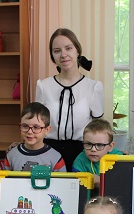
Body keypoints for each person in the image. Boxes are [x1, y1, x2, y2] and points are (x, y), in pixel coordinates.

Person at [35, 28, 104, 171]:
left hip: (83, 154)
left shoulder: (93, 87)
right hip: (48, 153)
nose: (63, 55)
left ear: (77, 51)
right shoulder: (43, 86)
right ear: (53, 56)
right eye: (57, 51)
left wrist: (111, 150)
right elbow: (36, 125)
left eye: (68, 48)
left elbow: (99, 128)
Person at [3, 102, 67, 172]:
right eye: (25, 126)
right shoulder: (11, 155)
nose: (30, 132)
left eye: (36, 127)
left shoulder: (55, 158)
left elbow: (62, 179)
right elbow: (4, 178)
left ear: (47, 130)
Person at [72, 119, 123, 187]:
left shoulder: (119, 160)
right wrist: (89, 180)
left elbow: (122, 184)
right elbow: (77, 188)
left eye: (99, 145)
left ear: (110, 147)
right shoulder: (79, 162)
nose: (93, 149)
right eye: (88, 144)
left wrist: (101, 182)